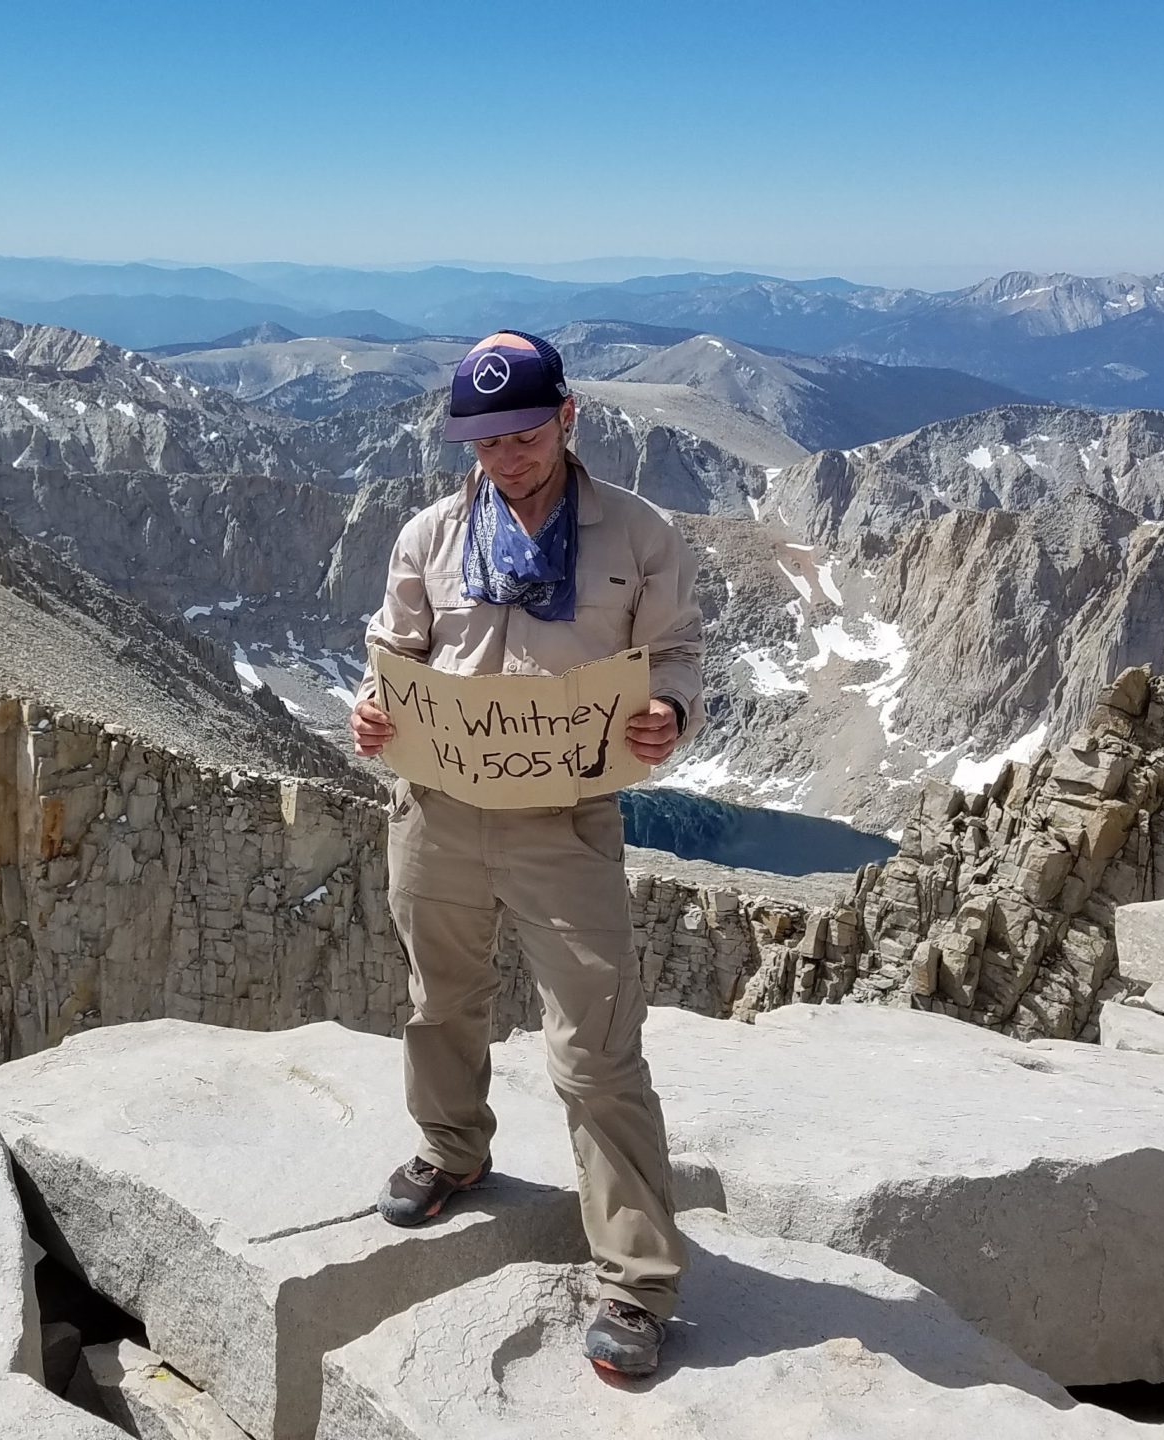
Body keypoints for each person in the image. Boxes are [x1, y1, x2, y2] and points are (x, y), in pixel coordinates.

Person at [349, 329, 704, 1382]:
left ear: (567, 418)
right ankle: (452, 1151)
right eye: (481, 439)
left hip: (566, 822)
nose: (501, 456)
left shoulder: (638, 535)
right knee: (435, 1000)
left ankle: (635, 1282)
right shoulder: (427, 534)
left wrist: (668, 713)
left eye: (518, 433)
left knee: (596, 1047)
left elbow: (677, 653)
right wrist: (372, 712)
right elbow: (395, 654)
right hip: (437, 809)